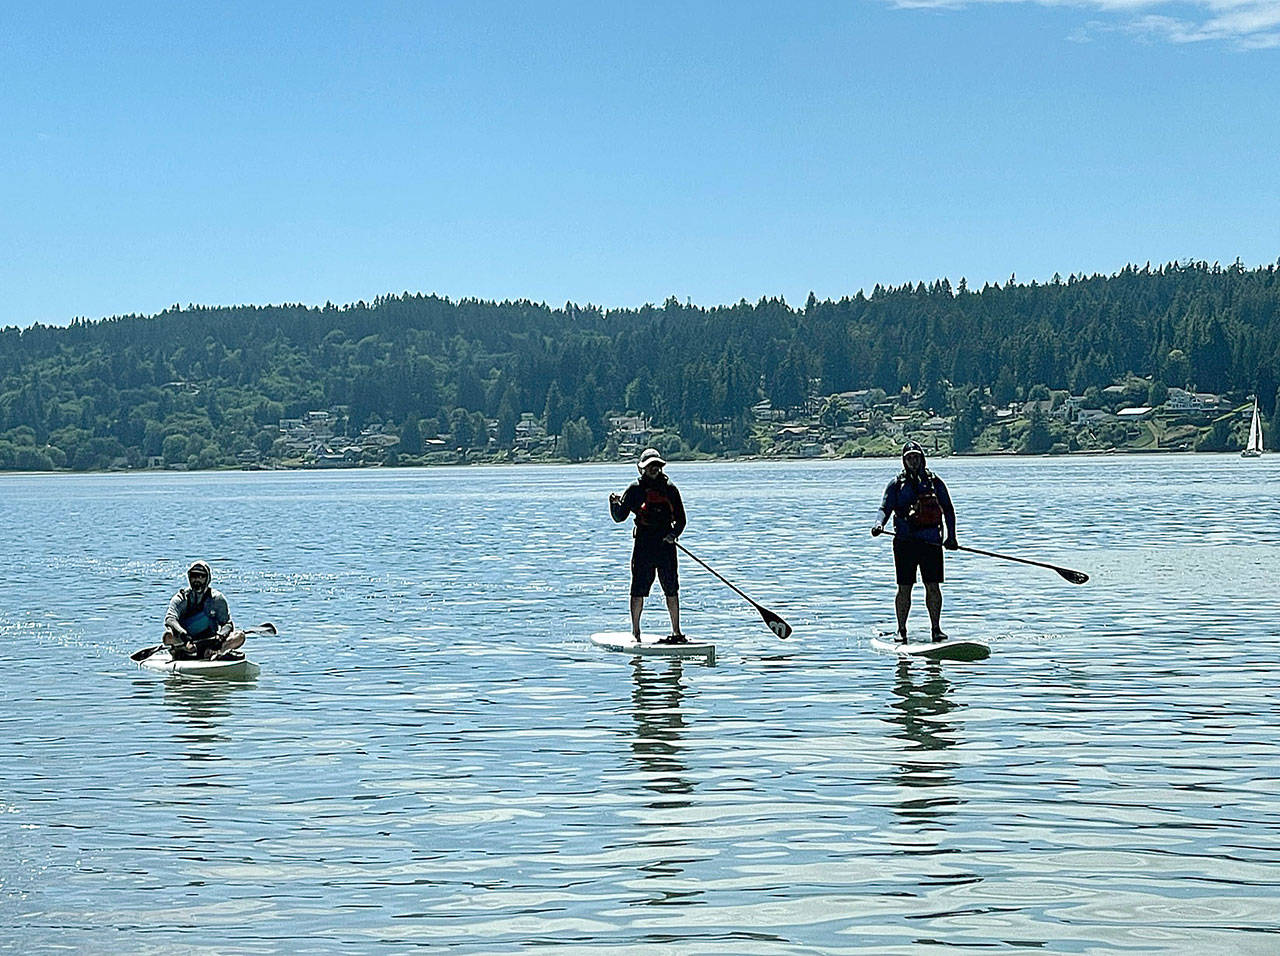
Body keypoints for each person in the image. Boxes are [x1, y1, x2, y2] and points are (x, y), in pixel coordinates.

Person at [871, 441, 958, 642]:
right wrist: (878, 524)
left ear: (922, 458)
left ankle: (936, 629)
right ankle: (901, 630)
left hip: (931, 543)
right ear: (904, 460)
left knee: (933, 586)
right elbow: (884, 508)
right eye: (909, 457)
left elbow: (948, 509)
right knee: (904, 587)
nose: (913, 461)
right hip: (905, 543)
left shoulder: (935, 482)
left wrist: (951, 537)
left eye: (916, 457)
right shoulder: (896, 484)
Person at [609, 448, 688, 644]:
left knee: (671, 588)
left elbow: (681, 520)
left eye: (656, 465)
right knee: (638, 589)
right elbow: (620, 517)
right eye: (649, 466)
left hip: (665, 545)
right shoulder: (634, 490)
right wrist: (613, 504)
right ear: (641, 469)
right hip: (644, 544)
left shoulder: (670, 489)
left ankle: (676, 632)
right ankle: (636, 633)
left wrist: (673, 534)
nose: (654, 469)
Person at [163, 560, 241, 659]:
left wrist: (220, 636)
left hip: (211, 641)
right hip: (186, 641)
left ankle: (217, 653)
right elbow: (170, 619)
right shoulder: (181, 598)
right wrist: (183, 634)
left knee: (239, 636)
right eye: (193, 576)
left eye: (201, 576)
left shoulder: (217, 599)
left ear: (207, 578)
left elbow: (228, 624)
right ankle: (183, 651)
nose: (197, 580)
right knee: (168, 636)